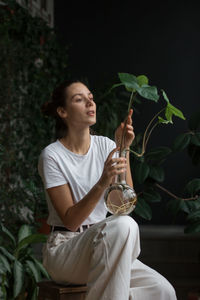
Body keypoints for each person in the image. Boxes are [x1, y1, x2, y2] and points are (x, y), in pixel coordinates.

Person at [38, 79, 177, 300]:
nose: (89, 103)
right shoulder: (52, 155)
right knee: (123, 225)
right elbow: (71, 221)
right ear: (63, 111)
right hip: (66, 251)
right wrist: (103, 181)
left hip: (108, 244)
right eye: (79, 99)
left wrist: (123, 148)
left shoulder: (106, 146)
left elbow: (125, 204)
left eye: (90, 98)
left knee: (162, 290)